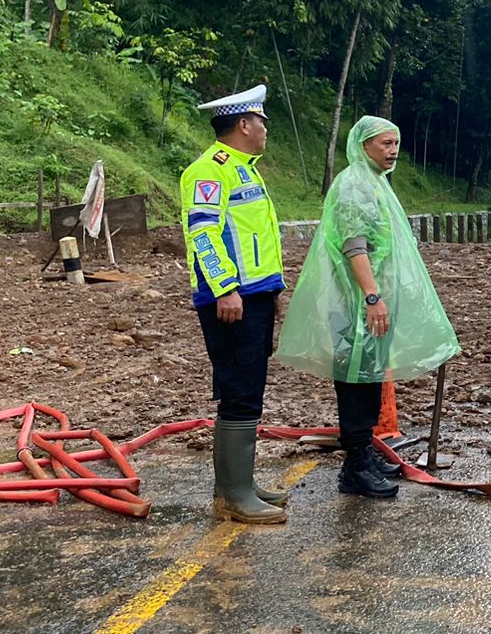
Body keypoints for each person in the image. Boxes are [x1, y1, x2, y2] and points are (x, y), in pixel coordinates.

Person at [277, 116, 461, 498]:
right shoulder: (354, 186)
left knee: (370, 377)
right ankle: (355, 466)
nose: (393, 150)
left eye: (396, 143)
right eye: (385, 144)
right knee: (355, 382)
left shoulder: (373, 182)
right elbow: (354, 245)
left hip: (368, 301)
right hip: (355, 304)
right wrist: (372, 296)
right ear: (363, 146)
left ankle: (364, 453)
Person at [180, 84, 289, 525]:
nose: (265, 130)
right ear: (243, 124)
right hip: (231, 300)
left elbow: (254, 239)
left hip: (255, 296)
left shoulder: (246, 170)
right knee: (239, 389)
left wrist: (273, 291)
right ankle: (233, 496)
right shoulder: (209, 171)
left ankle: (237, 483)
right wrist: (225, 288)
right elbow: (203, 234)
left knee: (248, 387)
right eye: (261, 122)